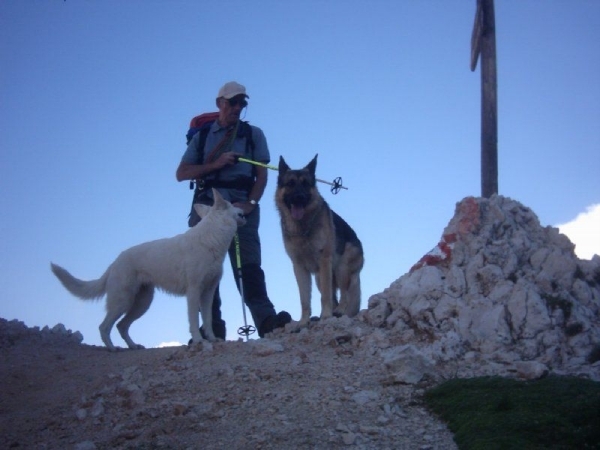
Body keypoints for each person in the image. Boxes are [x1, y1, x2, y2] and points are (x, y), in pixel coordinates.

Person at [176, 81, 291, 339]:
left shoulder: (253, 135)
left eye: (242, 103)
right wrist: (215, 164)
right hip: (208, 207)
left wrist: (251, 203)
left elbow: (261, 176)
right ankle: (210, 329)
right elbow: (181, 174)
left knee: (248, 266)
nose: (237, 108)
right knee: (204, 268)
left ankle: (266, 323)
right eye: (232, 102)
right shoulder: (203, 137)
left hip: (241, 207)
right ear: (220, 104)